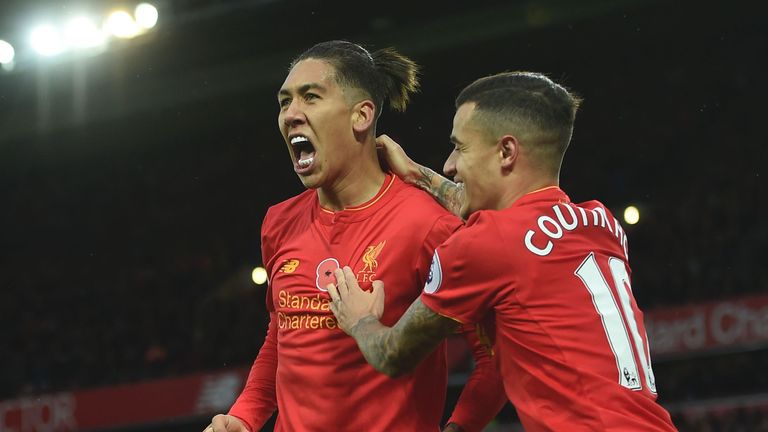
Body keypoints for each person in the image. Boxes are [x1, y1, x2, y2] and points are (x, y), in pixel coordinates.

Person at [327, 71, 678, 431]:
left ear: (506, 152)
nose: (450, 164)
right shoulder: (600, 224)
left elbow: (393, 355)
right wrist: (418, 174)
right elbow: (507, 223)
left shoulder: (481, 245)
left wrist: (360, 320)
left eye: (460, 147)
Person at [204, 41, 506, 432]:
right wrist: (243, 416)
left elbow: (494, 356)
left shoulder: (428, 226)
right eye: (284, 102)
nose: (291, 114)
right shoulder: (279, 222)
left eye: (310, 98)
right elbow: (281, 339)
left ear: (361, 115)